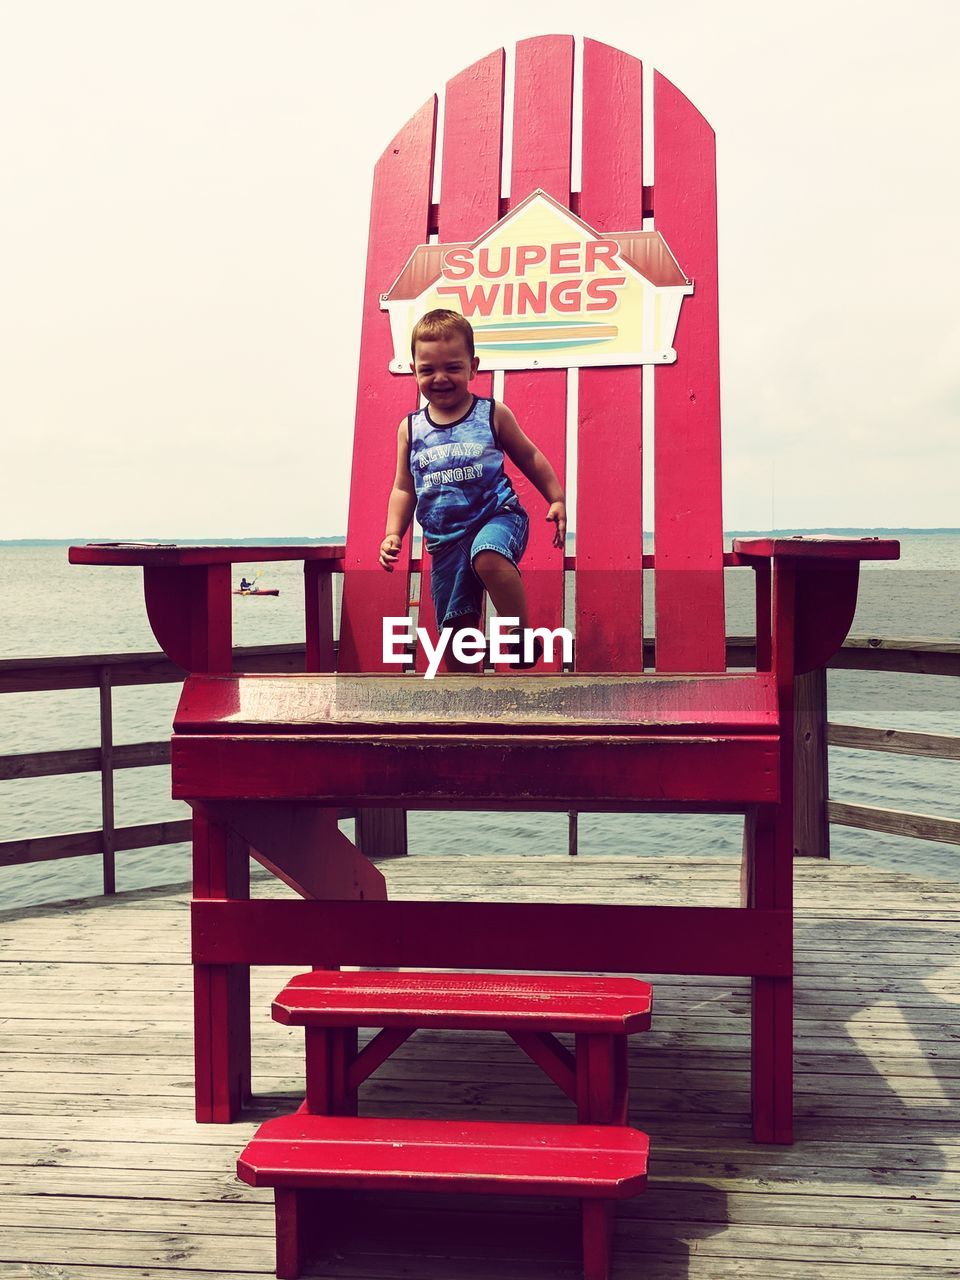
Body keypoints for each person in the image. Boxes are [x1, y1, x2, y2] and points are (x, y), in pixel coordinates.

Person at [379, 309, 566, 671]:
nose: (440, 378)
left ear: (473, 367)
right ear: (413, 370)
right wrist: (393, 533)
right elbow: (404, 487)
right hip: (444, 541)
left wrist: (555, 497)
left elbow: (529, 455)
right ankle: (466, 700)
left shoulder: (492, 413)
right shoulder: (411, 428)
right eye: (427, 369)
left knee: (488, 554)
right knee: (455, 634)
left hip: (496, 516)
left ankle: (521, 636)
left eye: (453, 367)